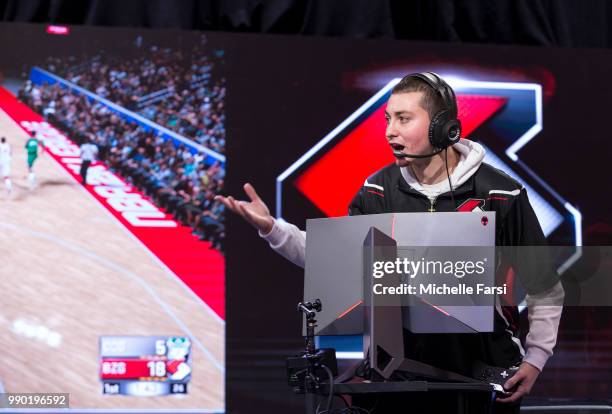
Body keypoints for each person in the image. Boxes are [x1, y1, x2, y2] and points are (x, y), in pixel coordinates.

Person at [217, 72, 564, 413]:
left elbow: (544, 285)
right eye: (387, 119)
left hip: (484, 377)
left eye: (403, 119)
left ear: (443, 126)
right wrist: (273, 229)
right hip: (398, 375)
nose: (389, 131)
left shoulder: (500, 192)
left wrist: (535, 358)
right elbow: (335, 259)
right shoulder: (376, 190)